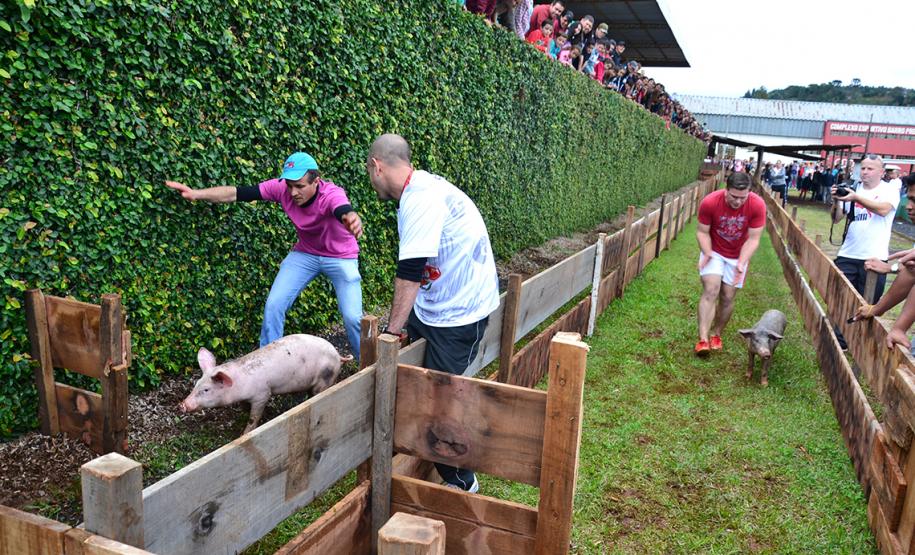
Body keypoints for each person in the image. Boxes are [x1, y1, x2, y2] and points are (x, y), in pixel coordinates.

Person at [366, 134, 500, 494]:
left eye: (369, 172)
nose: (370, 180)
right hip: (439, 305)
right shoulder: (420, 188)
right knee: (415, 386)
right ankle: (402, 450)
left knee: (441, 409)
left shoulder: (420, 199)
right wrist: (408, 323)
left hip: (459, 316)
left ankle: (462, 485)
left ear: (376, 166)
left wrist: (391, 334)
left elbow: (410, 271)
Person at [164, 152, 364, 358]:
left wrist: (350, 216)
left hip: (340, 256)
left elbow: (342, 208)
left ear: (316, 182)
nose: (293, 192)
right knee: (274, 305)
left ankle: (368, 364)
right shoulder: (282, 189)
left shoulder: (331, 194)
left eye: (300, 186)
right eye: (289, 185)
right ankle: (268, 364)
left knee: (353, 317)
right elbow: (237, 193)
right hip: (306, 253)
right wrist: (196, 194)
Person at [830, 155, 899, 349]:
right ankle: (840, 342)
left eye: (870, 169)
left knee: (869, 304)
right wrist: (836, 201)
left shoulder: (889, 190)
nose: (865, 172)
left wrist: (856, 197)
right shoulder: (853, 188)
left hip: (875, 257)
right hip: (848, 253)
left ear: (881, 172)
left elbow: (884, 210)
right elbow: (837, 218)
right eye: (864, 168)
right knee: (841, 298)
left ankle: (861, 344)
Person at [694, 171, 766, 355]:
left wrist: (742, 263)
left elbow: (754, 239)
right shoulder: (710, 202)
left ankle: (716, 334)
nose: (738, 202)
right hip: (714, 251)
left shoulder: (757, 204)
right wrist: (707, 252)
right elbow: (702, 232)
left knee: (727, 296)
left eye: (743, 197)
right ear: (726, 189)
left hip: (738, 254)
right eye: (734, 196)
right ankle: (703, 339)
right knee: (711, 290)